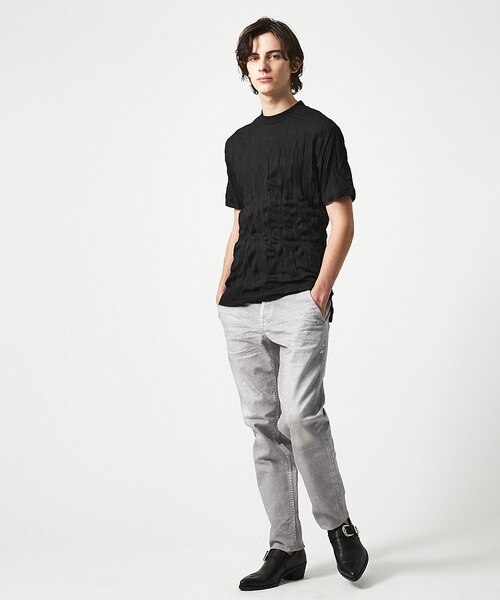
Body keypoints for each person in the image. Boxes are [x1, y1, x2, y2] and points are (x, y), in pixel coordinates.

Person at [215, 17, 369, 591]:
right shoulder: (237, 144)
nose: (263, 65)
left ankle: (339, 525)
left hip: (298, 296)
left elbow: (342, 220)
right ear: (245, 66)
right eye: (254, 57)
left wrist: (319, 293)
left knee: (301, 419)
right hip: (241, 304)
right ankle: (286, 548)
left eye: (274, 55)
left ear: (293, 64)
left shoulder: (320, 132)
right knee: (264, 428)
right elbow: (239, 222)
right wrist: (222, 286)